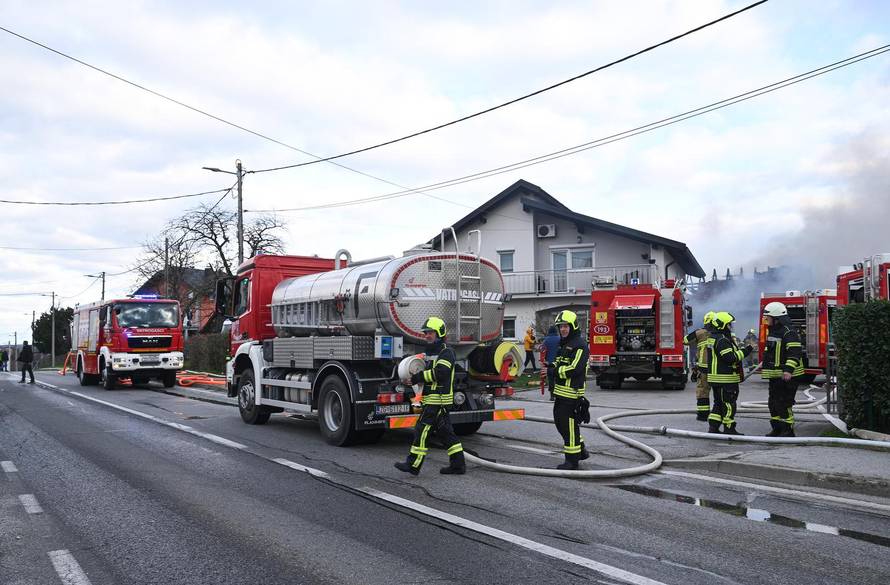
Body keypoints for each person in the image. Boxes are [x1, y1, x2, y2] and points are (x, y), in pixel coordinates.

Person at [395, 317, 466, 476]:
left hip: (438, 400)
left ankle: (413, 464)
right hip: (433, 399)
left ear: (439, 333)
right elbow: (424, 364)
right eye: (426, 333)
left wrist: (416, 378)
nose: (427, 335)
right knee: (447, 434)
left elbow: (440, 373)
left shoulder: (446, 352)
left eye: (430, 333)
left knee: (422, 429)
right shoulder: (431, 352)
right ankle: (458, 465)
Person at [549, 310, 590, 470]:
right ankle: (581, 451)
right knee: (561, 424)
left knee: (568, 427)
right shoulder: (564, 343)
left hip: (572, 394)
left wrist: (555, 371)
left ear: (573, 326)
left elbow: (575, 369)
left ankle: (572, 460)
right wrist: (550, 366)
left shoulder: (580, 345)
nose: (563, 329)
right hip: (561, 393)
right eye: (561, 327)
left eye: (566, 326)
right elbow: (560, 362)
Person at [761, 302, 804, 437]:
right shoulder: (773, 331)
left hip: (787, 376)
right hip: (775, 375)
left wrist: (788, 370)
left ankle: (787, 429)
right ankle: (777, 428)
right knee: (773, 403)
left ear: (777, 318)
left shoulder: (789, 332)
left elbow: (794, 352)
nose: (766, 321)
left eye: (768, 318)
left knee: (785, 403)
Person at [706, 312, 752, 435]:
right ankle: (729, 428)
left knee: (718, 403)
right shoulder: (722, 340)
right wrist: (747, 350)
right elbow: (730, 357)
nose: (730, 327)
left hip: (716, 378)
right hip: (725, 378)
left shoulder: (713, 337)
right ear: (723, 325)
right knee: (729, 404)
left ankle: (713, 427)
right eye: (729, 324)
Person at [684, 311, 716, 421]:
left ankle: (703, 415)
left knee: (702, 391)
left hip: (704, 368)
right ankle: (719, 414)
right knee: (719, 392)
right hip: (719, 369)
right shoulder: (724, 333)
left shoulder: (700, 333)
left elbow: (685, 340)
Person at [541, 325, 561, 401]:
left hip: (549, 364)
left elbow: (542, 350)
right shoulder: (560, 339)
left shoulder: (546, 340)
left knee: (551, 379)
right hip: (558, 362)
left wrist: (545, 361)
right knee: (558, 379)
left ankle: (552, 396)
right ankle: (558, 395)